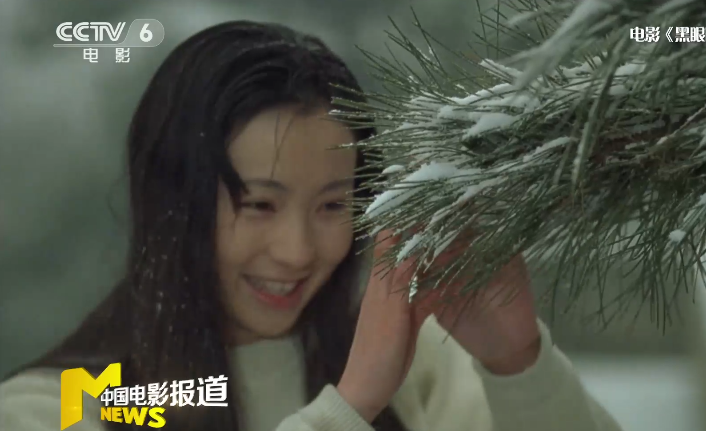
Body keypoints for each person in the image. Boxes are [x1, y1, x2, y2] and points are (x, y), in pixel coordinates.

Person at [0, 21, 621, 431]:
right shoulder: (71, 403)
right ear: (173, 203)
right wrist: (351, 407)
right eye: (259, 205)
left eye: (331, 206)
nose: (298, 252)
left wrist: (519, 366)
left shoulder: (422, 369)